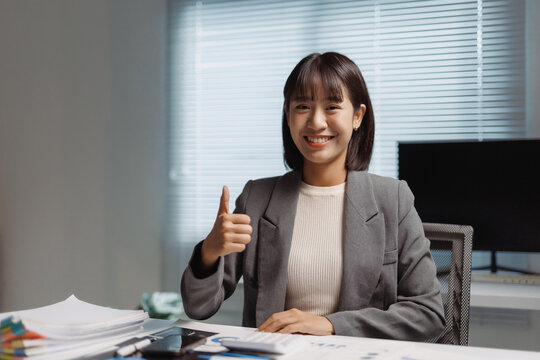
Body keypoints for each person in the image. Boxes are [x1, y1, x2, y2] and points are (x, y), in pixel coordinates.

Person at [181, 52, 445, 341]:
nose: (316, 122)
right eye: (303, 106)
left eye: (332, 106)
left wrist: (330, 324)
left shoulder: (393, 199)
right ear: (287, 114)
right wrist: (209, 251)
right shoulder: (257, 198)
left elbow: (428, 314)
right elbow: (199, 307)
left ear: (357, 116)